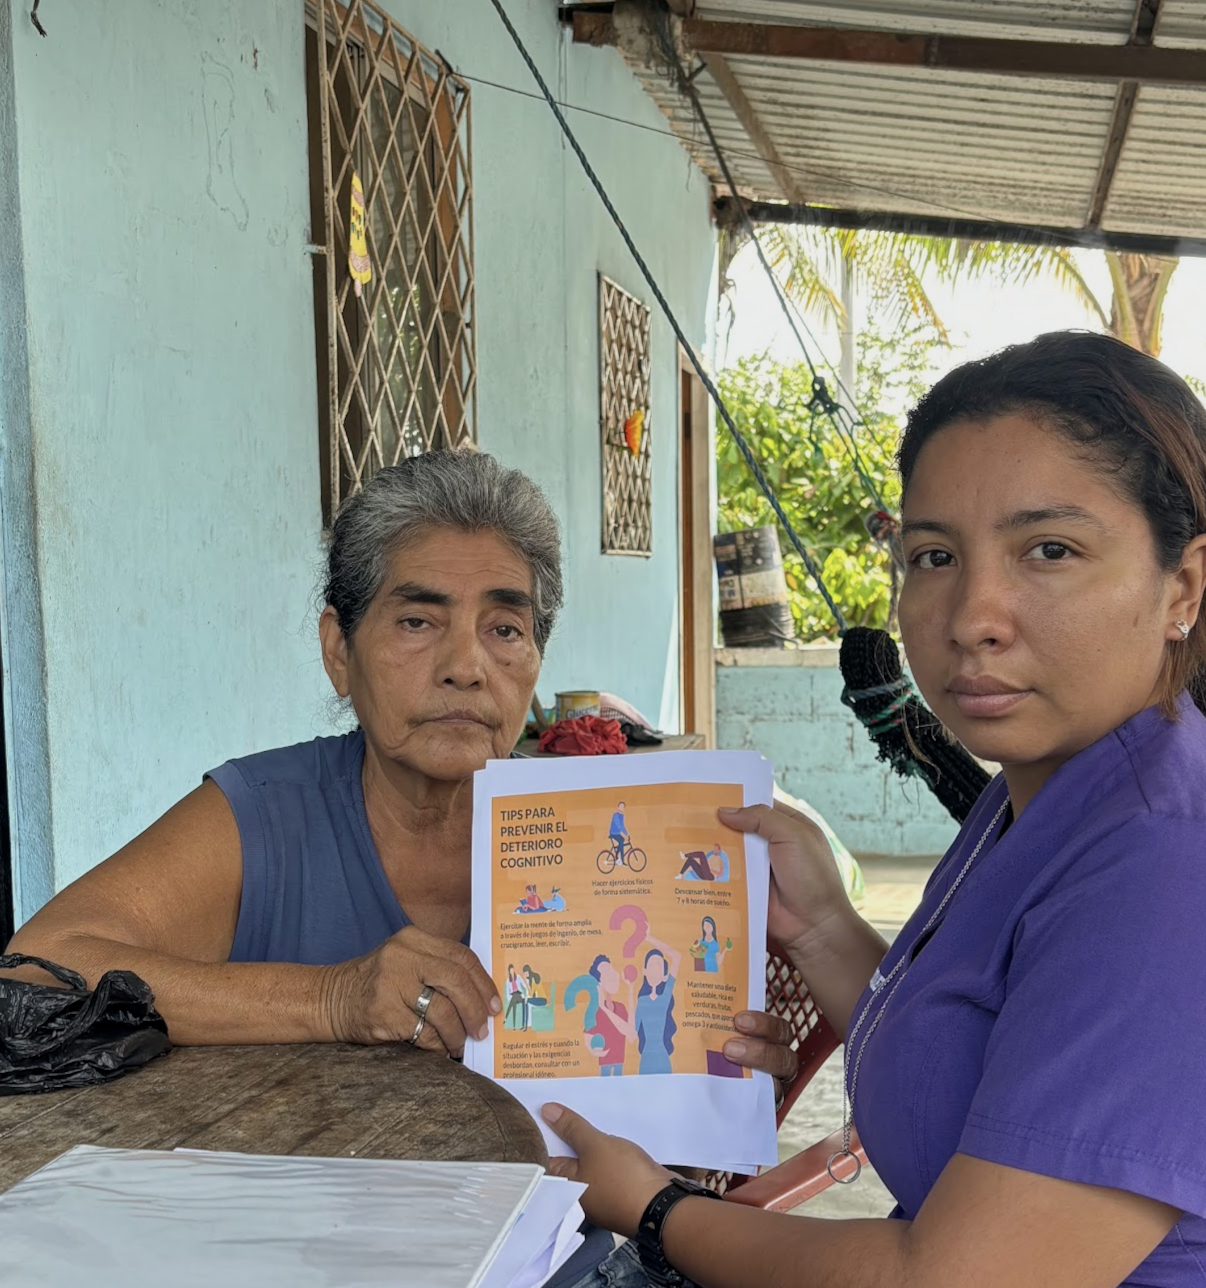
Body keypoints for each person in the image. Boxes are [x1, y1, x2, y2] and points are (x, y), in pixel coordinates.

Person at [3, 449, 800, 1288]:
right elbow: (36, 970)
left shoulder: (606, 840)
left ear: (535, 661)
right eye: (418, 621)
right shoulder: (264, 816)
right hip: (305, 1260)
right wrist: (333, 998)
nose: (466, 665)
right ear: (338, 650)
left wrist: (715, 1080)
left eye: (505, 628)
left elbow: (663, 1146)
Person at [538, 332, 1206, 1288]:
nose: (972, 615)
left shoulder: (1164, 869)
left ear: (1183, 586)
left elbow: (955, 1280)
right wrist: (821, 926)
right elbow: (958, 1057)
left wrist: (654, 1209)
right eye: (934, 555)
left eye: (1049, 550)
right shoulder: (1043, 791)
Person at [634, 935, 680, 1076]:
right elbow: (632, 1030)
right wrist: (629, 990)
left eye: (658, 966)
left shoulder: (664, 999)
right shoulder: (641, 1001)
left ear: (665, 976)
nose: (654, 969)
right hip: (646, 1059)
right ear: (644, 971)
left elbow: (676, 957)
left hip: (662, 1057)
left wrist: (648, 938)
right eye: (651, 966)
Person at [584, 953, 637, 1076]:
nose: (614, 975)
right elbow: (587, 1037)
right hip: (604, 1065)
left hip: (620, 1063)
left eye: (612, 971)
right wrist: (594, 1050)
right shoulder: (595, 1011)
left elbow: (631, 1034)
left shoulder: (620, 1008)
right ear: (599, 983)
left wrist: (631, 989)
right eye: (607, 973)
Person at [504, 963, 528, 1030]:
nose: (512, 971)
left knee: (516, 996)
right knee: (514, 997)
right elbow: (507, 992)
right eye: (510, 970)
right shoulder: (508, 981)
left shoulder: (518, 977)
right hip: (513, 998)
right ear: (509, 971)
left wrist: (526, 993)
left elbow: (524, 985)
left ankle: (506, 1018)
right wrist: (510, 998)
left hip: (520, 997)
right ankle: (513, 1024)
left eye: (513, 970)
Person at [608, 801, 630, 866]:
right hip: (613, 833)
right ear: (618, 807)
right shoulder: (616, 815)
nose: (621, 807)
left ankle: (622, 861)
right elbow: (619, 826)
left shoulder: (622, 816)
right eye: (620, 806)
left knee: (622, 842)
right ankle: (616, 857)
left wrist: (626, 833)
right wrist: (626, 834)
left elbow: (622, 825)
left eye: (623, 806)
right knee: (621, 841)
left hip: (617, 832)